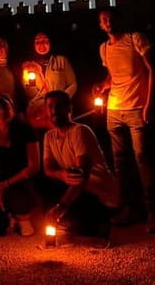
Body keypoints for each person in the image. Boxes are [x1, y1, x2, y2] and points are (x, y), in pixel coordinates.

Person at [93, 8, 155, 232]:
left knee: (143, 159)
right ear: (101, 26)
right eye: (104, 20)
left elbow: (153, 70)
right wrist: (102, 87)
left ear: (119, 19)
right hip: (114, 110)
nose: (108, 22)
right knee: (119, 163)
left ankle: (153, 212)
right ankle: (127, 209)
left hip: (136, 109)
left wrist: (149, 105)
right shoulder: (104, 49)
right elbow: (112, 77)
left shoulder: (135, 39)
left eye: (111, 18)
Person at [43, 91, 118, 243]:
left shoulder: (79, 131)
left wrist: (60, 207)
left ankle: (102, 222)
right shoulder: (49, 136)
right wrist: (61, 175)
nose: (54, 110)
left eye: (59, 106)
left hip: (99, 195)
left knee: (82, 228)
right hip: (80, 191)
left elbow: (82, 177)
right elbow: (48, 169)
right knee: (42, 185)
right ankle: (70, 221)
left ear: (69, 108)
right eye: (50, 106)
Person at [0, 94, 39, 237]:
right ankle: (9, 216)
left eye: (4, 107)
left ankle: (21, 217)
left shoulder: (26, 130)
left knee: (21, 201)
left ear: (13, 109)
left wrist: (5, 185)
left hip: (18, 182)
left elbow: (34, 166)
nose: (1, 112)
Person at [22, 32, 77, 131]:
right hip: (38, 114)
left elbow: (73, 85)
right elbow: (31, 94)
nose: (41, 44)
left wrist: (60, 101)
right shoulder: (29, 67)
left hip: (59, 113)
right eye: (37, 42)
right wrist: (31, 81)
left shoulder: (61, 61)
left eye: (45, 41)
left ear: (51, 42)